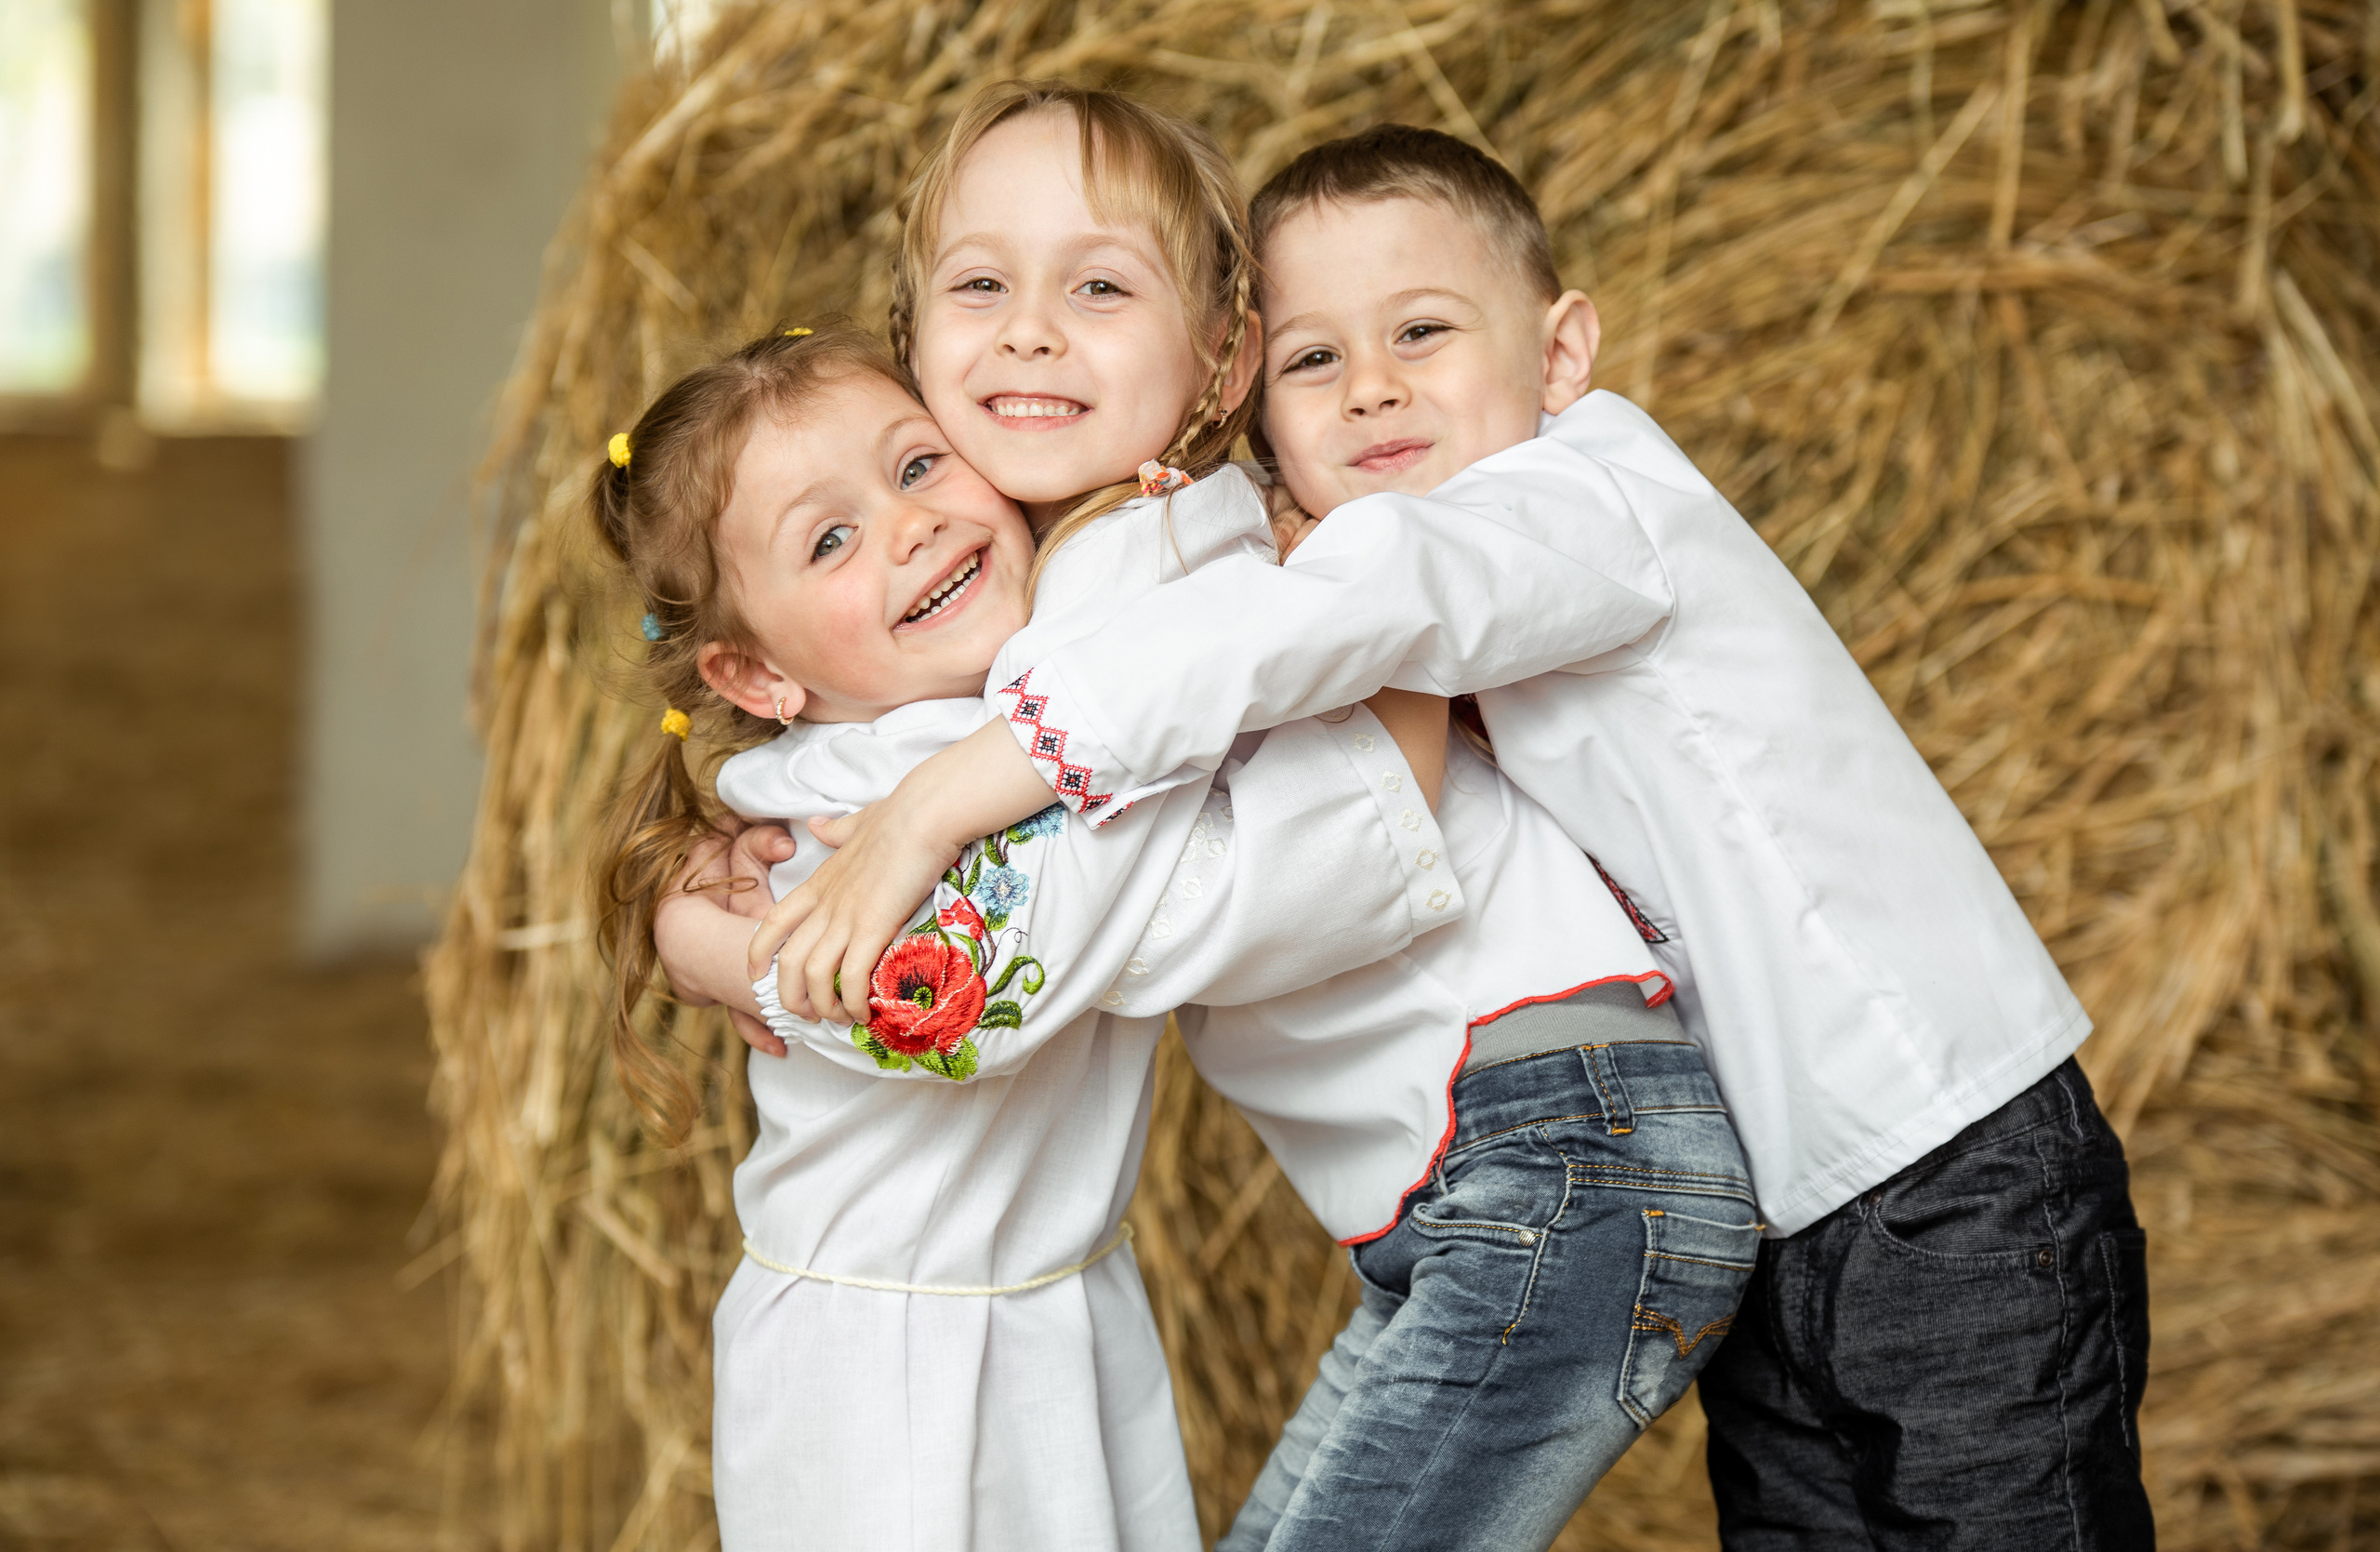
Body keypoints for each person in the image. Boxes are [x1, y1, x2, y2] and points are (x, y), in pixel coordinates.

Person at [774, 126, 2155, 1550]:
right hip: (1783, 1192)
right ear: (1252, 389)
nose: (1370, 385)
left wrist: (934, 808)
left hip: (1948, 1160)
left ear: (1562, 355)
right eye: (1315, 360)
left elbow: (1342, 613)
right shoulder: (1332, 549)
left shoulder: (1577, 500)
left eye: (1422, 332)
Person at [622, 86, 1702, 1551]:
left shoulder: (1144, 577)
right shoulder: (962, 689)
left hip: (1134, 1284)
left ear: (1219, 353)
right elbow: (951, 975)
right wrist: (706, 934)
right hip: (897, 1370)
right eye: (983, 288)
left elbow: (1179, 892)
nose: (1029, 335)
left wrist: (1400, 714)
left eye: (917, 471)